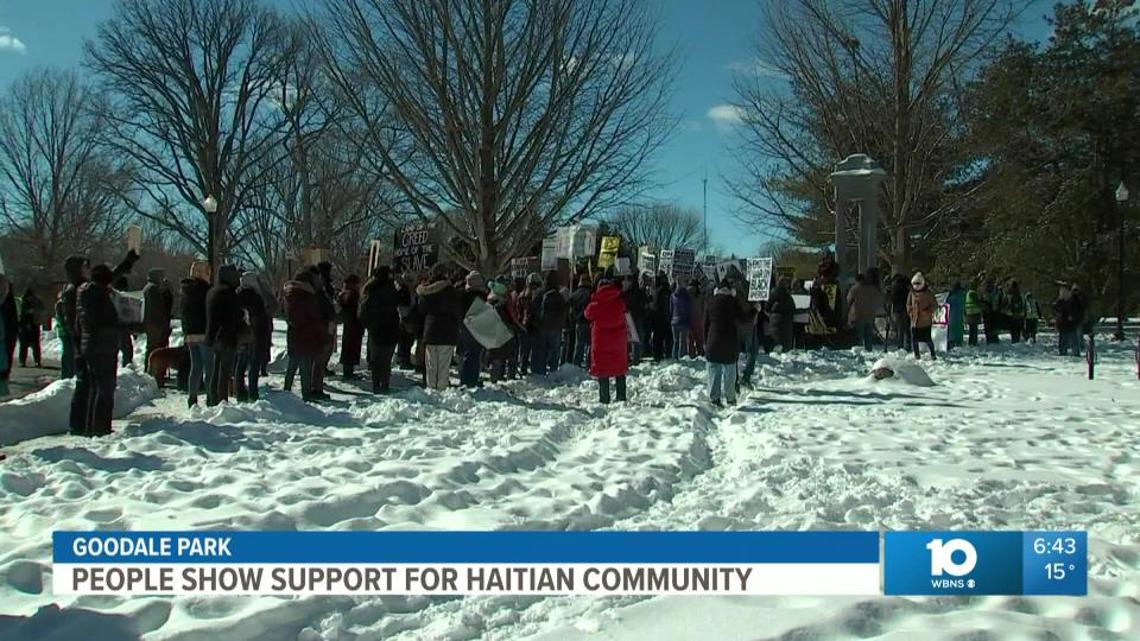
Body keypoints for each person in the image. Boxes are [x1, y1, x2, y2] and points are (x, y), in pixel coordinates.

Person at [64, 250, 139, 431]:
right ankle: (81, 425)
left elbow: (108, 278)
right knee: (86, 387)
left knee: (91, 387)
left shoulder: (88, 288)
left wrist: (127, 262)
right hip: (87, 343)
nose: (88, 269)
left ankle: (86, 425)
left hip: (88, 343)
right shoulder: (75, 291)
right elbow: (77, 322)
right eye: (84, 267)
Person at [76, 265, 124, 436]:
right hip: (101, 346)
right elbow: (101, 322)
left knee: (97, 388)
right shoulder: (98, 296)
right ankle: (100, 428)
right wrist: (121, 325)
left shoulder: (88, 293)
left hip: (93, 345)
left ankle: (93, 426)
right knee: (104, 388)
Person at [584, 268, 629, 404]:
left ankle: (604, 398)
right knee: (619, 369)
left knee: (603, 370)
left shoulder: (595, 303)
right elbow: (624, 313)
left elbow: (587, 314)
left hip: (601, 341)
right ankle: (621, 397)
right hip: (618, 341)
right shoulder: (619, 301)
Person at [204, 264, 245, 406]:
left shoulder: (212, 291)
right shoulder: (228, 293)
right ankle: (221, 402)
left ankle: (212, 399)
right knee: (224, 372)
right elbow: (236, 315)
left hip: (213, 336)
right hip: (226, 337)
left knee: (215, 371)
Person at [417, 264, 461, 391]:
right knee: (444, 364)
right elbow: (457, 311)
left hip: (431, 328)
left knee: (431, 363)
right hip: (448, 330)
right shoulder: (451, 291)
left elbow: (421, 309)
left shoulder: (426, 291)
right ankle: (442, 388)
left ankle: (431, 388)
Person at [283, 271, 326, 400]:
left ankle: (286, 392)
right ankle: (306, 395)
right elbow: (313, 316)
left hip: (293, 334)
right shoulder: (307, 296)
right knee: (305, 368)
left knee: (292, 366)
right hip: (306, 334)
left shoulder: (288, 293)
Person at [359, 266, 401, 393]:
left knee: (377, 359)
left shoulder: (370, 290)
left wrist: (368, 325)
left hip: (376, 328)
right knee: (386, 359)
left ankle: (376, 385)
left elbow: (363, 311)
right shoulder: (392, 290)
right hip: (391, 327)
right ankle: (385, 384)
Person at [705, 280, 743, 407]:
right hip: (729, 341)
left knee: (713, 370)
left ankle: (714, 398)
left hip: (713, 340)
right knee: (730, 372)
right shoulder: (732, 302)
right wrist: (755, 309)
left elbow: (705, 323)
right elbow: (743, 319)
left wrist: (705, 341)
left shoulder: (710, 302)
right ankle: (730, 398)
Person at [180, 261, 212, 407]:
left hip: (190, 333)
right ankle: (211, 397)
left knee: (196, 367)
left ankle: (192, 398)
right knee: (209, 368)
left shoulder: (186, 291)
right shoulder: (205, 290)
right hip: (204, 332)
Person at [235, 272, 270, 401]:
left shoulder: (237, 295)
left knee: (241, 364)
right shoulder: (256, 297)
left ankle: (240, 392)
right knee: (254, 366)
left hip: (242, 334)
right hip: (255, 334)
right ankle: (253, 393)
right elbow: (259, 317)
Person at [530, 271, 566, 376]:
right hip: (555, 328)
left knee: (542, 350)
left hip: (542, 326)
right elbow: (563, 311)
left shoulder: (541, 293)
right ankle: (553, 371)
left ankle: (540, 371)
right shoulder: (559, 295)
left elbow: (533, 308)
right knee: (555, 351)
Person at [459, 271, 489, 388]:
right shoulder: (481, 296)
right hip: (476, 327)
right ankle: (470, 380)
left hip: (465, 326)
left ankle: (466, 379)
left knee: (468, 353)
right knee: (474, 354)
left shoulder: (464, 295)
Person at [142, 269, 174, 366]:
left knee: (152, 348)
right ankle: (150, 369)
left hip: (152, 322)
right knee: (154, 348)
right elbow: (157, 308)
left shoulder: (149, 288)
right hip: (155, 324)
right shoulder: (153, 289)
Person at [338, 275, 364, 380]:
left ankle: (348, 370)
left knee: (348, 347)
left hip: (349, 324)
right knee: (351, 348)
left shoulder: (344, 294)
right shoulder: (352, 295)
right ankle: (348, 372)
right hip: (354, 324)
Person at [906, 272, 937, 360]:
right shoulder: (911, 293)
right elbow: (908, 304)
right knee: (914, 340)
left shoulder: (928, 294)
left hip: (925, 321)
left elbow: (934, 305)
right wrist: (911, 312)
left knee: (927, 339)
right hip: (914, 321)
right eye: (914, 284)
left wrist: (927, 312)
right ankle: (917, 355)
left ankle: (933, 354)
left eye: (918, 283)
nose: (916, 286)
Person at [846, 273, 881, 351]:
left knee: (859, 341)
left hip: (858, 317)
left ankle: (860, 359)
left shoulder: (854, 289)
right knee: (868, 341)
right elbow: (878, 301)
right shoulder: (872, 289)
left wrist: (846, 316)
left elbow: (848, 302)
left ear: (857, 280)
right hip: (870, 316)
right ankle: (869, 354)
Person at [623, 272, 648, 363]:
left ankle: (626, 358)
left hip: (628, 316)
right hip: (638, 317)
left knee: (627, 340)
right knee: (636, 341)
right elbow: (646, 303)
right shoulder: (640, 292)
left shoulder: (626, 293)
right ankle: (635, 359)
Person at [18, 286, 45, 368]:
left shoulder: (26, 302)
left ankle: (26, 361)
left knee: (28, 345)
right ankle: (34, 361)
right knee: (29, 345)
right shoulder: (24, 302)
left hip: (30, 326)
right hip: (28, 326)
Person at [569, 275, 592, 367]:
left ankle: (576, 364)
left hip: (578, 323)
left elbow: (570, 310)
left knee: (579, 346)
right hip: (589, 322)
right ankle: (589, 364)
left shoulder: (574, 294)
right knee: (590, 345)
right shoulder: (591, 293)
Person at [767, 277, 796, 352]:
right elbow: (793, 309)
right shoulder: (788, 297)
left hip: (775, 323)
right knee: (785, 348)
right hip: (787, 324)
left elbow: (767, 307)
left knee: (776, 346)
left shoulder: (773, 295)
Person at [649, 273, 671, 361]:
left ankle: (657, 355)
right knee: (666, 337)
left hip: (656, 317)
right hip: (665, 317)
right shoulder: (665, 291)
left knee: (657, 338)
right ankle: (666, 354)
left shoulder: (654, 291)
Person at [887, 273, 911, 352]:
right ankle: (908, 346)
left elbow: (891, 300)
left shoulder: (895, 289)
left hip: (898, 310)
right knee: (907, 329)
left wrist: (889, 311)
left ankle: (900, 346)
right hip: (907, 310)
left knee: (900, 329)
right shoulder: (907, 289)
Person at [670, 281, 692, 360]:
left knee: (675, 342)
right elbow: (689, 309)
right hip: (683, 321)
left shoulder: (672, 296)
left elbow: (671, 309)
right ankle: (681, 358)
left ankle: (674, 358)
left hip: (674, 321)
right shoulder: (686, 296)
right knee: (682, 342)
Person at [688, 280, 706, 358]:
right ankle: (700, 353)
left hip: (689, 320)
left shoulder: (686, 294)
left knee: (690, 340)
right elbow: (704, 308)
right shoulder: (700, 295)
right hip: (699, 319)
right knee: (699, 339)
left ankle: (692, 354)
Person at [946, 282, 965, 350]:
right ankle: (958, 342)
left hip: (951, 316)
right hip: (959, 317)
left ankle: (951, 343)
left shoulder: (951, 297)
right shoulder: (962, 295)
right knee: (958, 330)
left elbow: (946, 304)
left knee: (952, 331)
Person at [964, 281, 982, 346]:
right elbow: (977, 302)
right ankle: (973, 342)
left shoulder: (967, 293)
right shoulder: (973, 293)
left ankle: (971, 342)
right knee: (974, 329)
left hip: (969, 313)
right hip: (974, 313)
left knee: (972, 329)